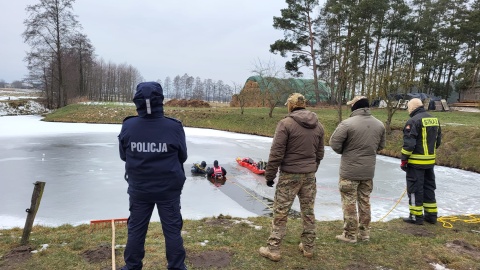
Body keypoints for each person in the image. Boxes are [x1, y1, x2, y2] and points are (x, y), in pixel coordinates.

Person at [118, 81, 188, 270]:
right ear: (161, 101)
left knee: (136, 230)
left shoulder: (129, 126)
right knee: (172, 230)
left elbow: (123, 155)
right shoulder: (174, 127)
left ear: (137, 101)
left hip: (140, 189)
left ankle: (132, 266)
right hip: (168, 189)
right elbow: (183, 156)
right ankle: (176, 267)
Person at [259, 93, 325, 261]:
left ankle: (273, 249)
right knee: (308, 212)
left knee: (281, 212)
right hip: (309, 176)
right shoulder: (319, 126)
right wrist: (311, 169)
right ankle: (308, 247)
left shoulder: (285, 124)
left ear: (290, 105)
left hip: (289, 175)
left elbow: (276, 153)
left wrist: (270, 175)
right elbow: (319, 154)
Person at [329, 96, 386, 243]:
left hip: (349, 171)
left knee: (349, 202)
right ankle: (364, 234)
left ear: (355, 106)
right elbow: (381, 146)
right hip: (368, 172)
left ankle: (349, 235)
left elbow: (334, 143)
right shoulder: (379, 125)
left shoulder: (347, 124)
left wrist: (346, 151)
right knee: (365, 202)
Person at [401, 98, 442, 225]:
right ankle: (431, 215)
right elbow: (438, 141)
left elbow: (409, 144)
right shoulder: (434, 119)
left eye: (408, 108)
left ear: (412, 108)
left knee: (414, 189)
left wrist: (404, 160)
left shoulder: (413, 121)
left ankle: (415, 216)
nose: (408, 110)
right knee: (429, 187)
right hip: (430, 161)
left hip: (416, 163)